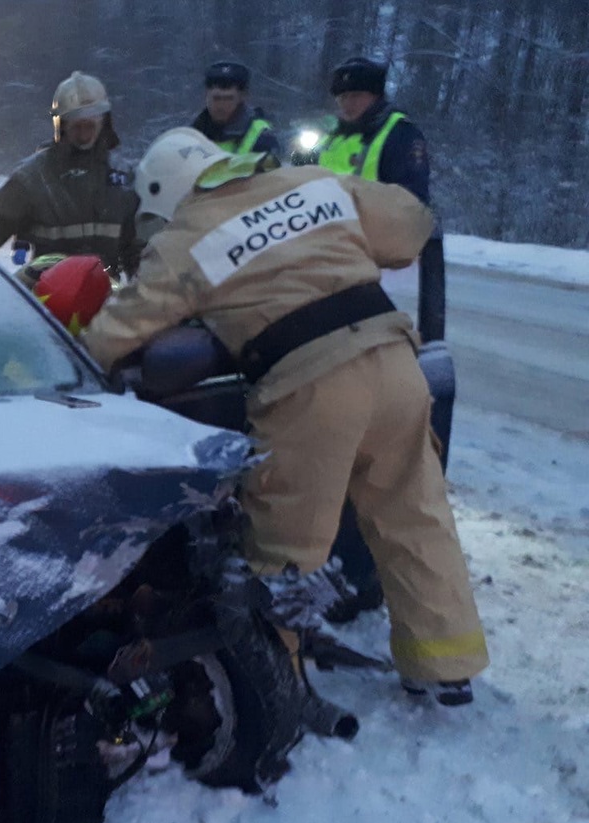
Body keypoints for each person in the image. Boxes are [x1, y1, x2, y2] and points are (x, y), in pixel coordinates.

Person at [80, 128, 489, 705]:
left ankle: (277, 689)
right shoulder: (313, 182)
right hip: (397, 365)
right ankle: (446, 665)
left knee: (288, 549)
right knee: (413, 514)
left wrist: (64, 359)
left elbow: (118, 332)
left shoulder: (186, 239)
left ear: (167, 191)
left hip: (311, 386)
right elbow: (410, 225)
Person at [0, 71, 141, 277]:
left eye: (90, 124)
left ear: (104, 121)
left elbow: (140, 248)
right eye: (76, 124)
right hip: (49, 297)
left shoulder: (123, 178)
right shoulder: (34, 177)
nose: (83, 133)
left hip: (106, 299)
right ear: (61, 125)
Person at [317, 56, 445, 340]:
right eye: (343, 96)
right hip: (326, 243)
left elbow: (410, 201)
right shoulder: (331, 135)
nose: (348, 104)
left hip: (371, 250)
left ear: (375, 96)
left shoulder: (399, 134)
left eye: (356, 96)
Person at [190, 60, 281, 158]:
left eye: (228, 99)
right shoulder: (193, 132)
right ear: (206, 96)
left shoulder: (261, 136)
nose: (221, 105)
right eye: (216, 98)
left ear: (242, 98)